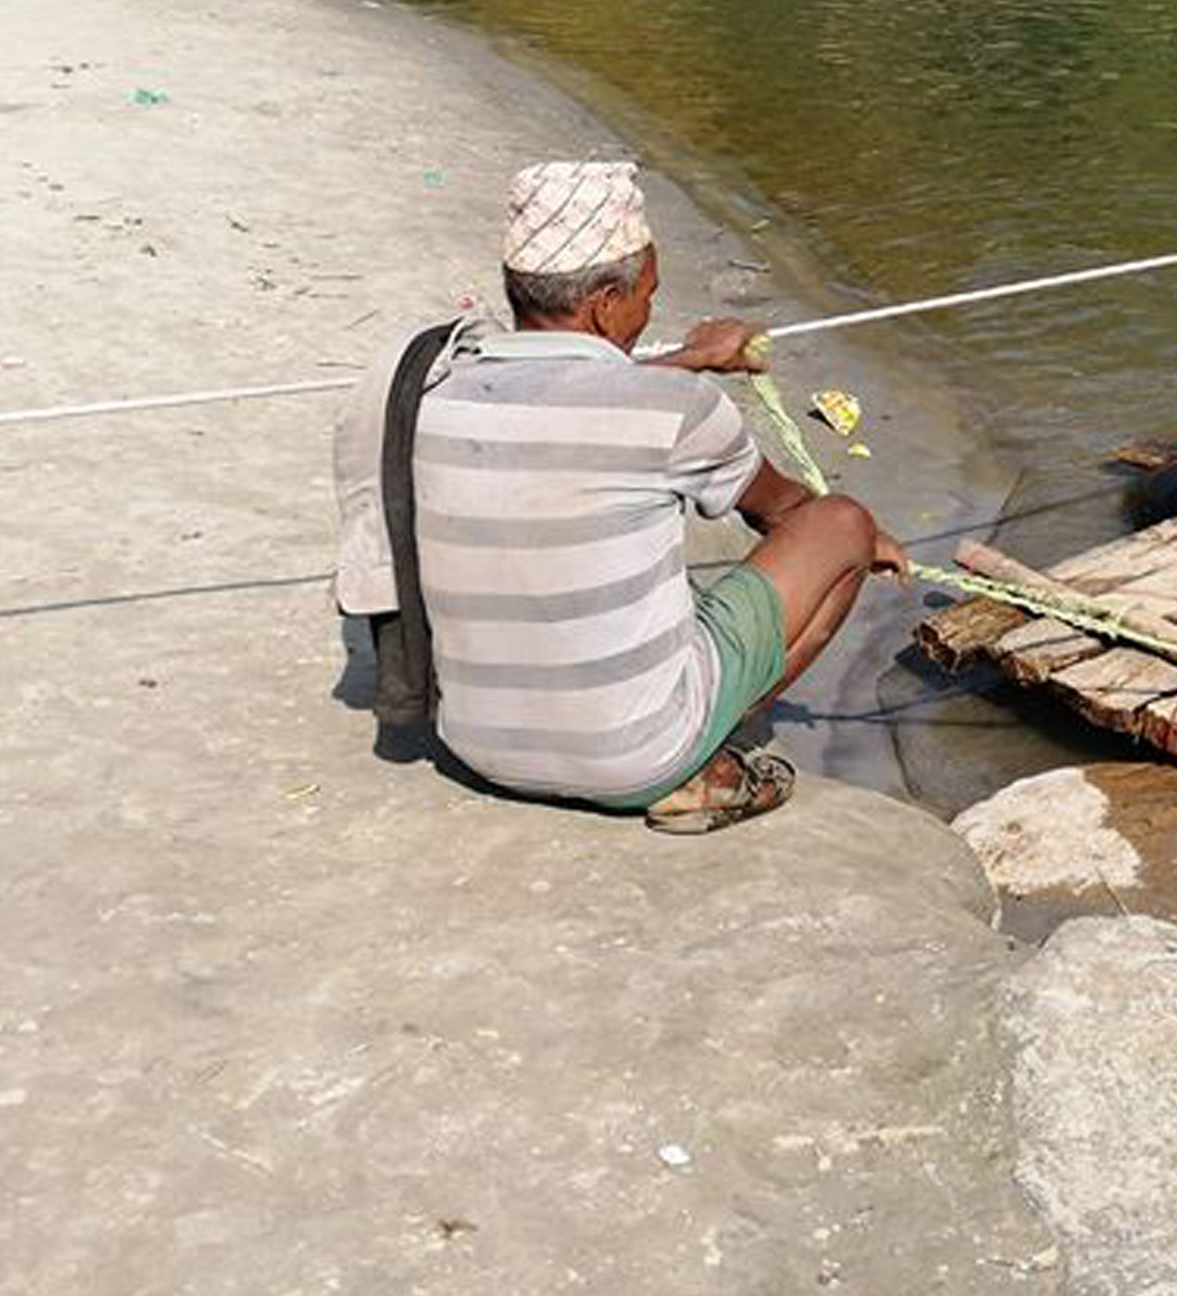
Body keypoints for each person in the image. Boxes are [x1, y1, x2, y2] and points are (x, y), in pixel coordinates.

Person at [333, 161, 907, 833]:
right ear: (606, 301)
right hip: (634, 763)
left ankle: (652, 745)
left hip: (475, 747)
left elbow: (562, 396)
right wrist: (867, 542)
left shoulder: (431, 394)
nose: (650, 310)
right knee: (842, 521)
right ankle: (693, 761)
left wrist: (691, 358)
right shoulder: (679, 412)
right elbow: (790, 513)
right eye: (646, 294)